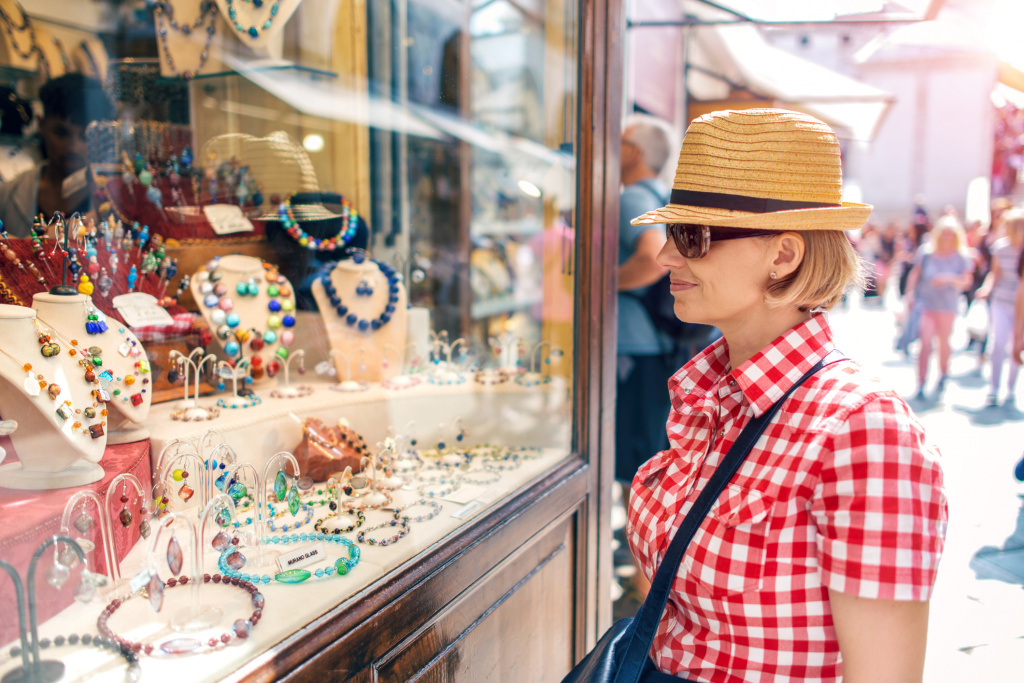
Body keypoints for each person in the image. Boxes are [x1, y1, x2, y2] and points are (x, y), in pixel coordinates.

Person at [626, 109, 946, 683]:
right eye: (673, 235)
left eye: (692, 237)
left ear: (783, 255)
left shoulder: (862, 429)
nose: (669, 256)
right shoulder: (707, 393)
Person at [615, 114, 675, 486]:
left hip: (635, 344)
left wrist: (603, 285)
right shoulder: (664, 196)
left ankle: (633, 540)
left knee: (633, 448)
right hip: (662, 337)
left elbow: (653, 258)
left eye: (618, 142)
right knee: (650, 441)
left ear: (633, 152)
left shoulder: (633, 198)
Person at [0, 73, 116, 237]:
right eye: (61, 133)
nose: (73, 147)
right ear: (41, 125)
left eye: (85, 136)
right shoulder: (8, 195)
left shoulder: (115, 199)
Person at [904, 215, 974, 399]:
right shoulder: (926, 252)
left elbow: (966, 282)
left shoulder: (961, 256)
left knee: (943, 342)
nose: (947, 237)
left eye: (951, 234)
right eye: (944, 233)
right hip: (926, 303)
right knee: (925, 343)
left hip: (947, 306)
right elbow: (915, 274)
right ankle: (921, 382)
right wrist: (910, 294)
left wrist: (947, 278)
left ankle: (943, 374)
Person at [976, 208, 1024, 406]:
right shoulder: (1000, 248)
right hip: (1001, 301)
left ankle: (1010, 389)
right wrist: (986, 289)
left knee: (1017, 344)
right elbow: (994, 274)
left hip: (1020, 305)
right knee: (998, 344)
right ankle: (994, 388)